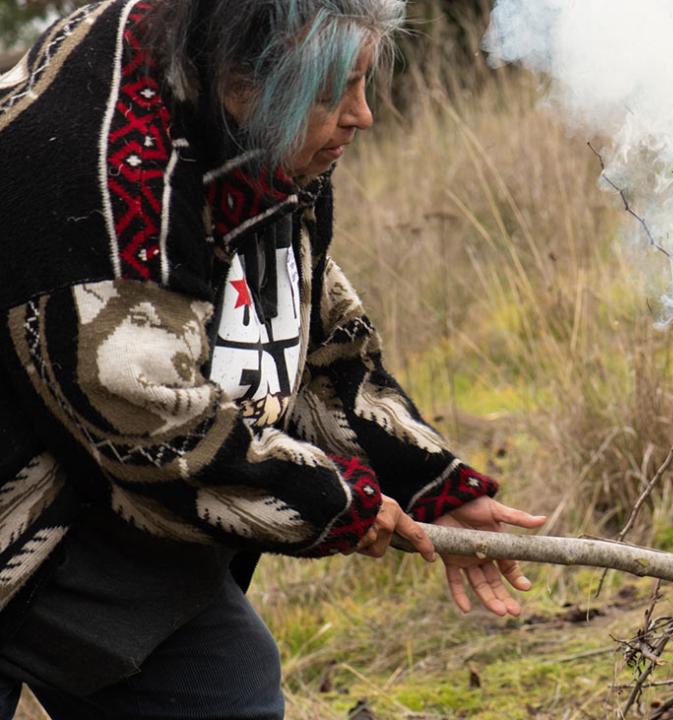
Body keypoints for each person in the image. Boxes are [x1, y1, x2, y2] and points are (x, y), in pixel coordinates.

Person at [0, 1, 545, 717]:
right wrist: (334, 503)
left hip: (92, 498)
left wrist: (427, 481)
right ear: (239, 82)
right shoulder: (103, 181)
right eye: (333, 93)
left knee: (224, 692)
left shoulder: (262, 139)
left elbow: (314, 339)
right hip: (40, 480)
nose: (362, 116)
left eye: (361, 83)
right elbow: (148, 421)